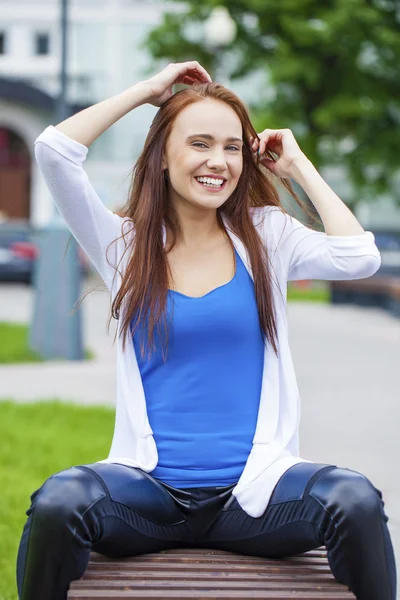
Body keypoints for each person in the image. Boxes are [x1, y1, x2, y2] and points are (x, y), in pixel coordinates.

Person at [17, 60, 396, 600]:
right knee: (58, 503)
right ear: (163, 157)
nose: (218, 161)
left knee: (355, 500)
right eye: (199, 143)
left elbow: (358, 257)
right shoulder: (122, 246)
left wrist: (298, 166)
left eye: (233, 147)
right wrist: (146, 91)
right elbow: (55, 151)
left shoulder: (266, 237)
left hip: (257, 498)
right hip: (149, 495)